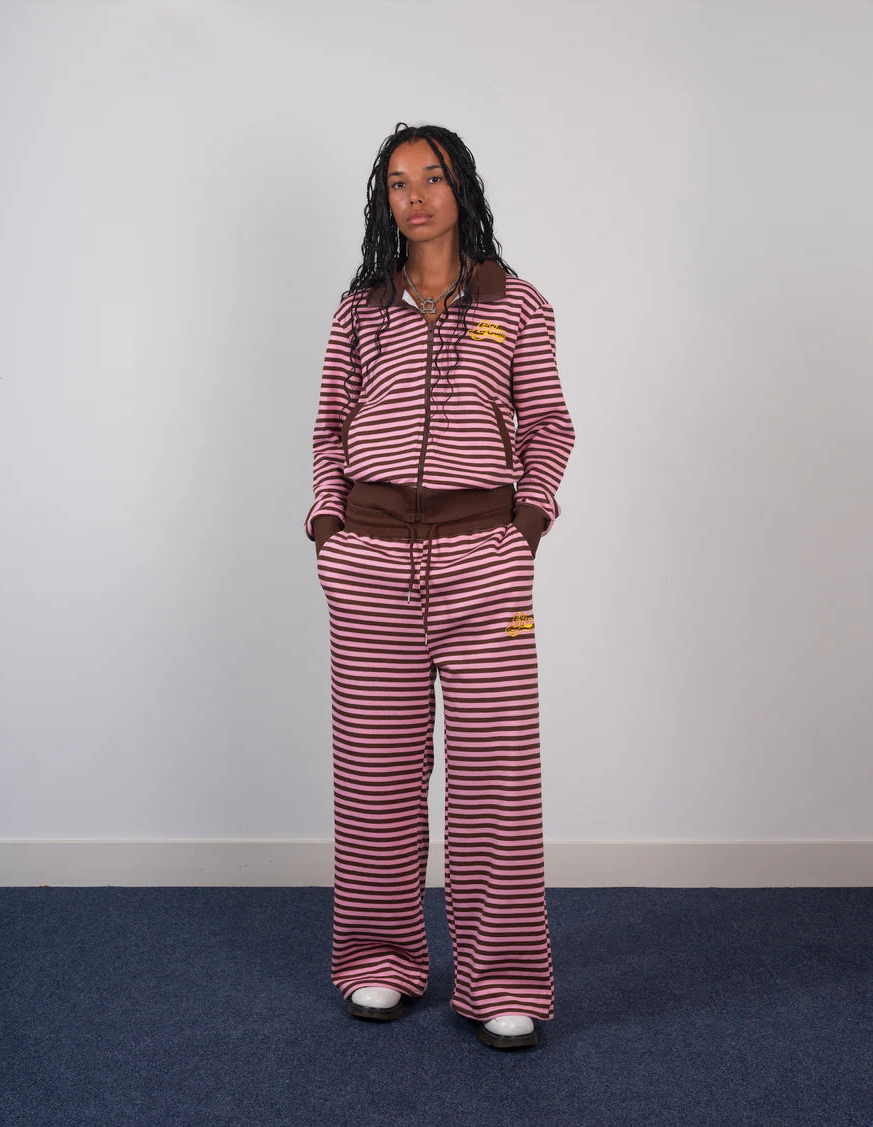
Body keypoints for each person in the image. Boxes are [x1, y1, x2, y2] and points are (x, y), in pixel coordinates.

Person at [303, 122, 576, 1050]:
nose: (414, 195)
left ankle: (503, 978)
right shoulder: (359, 312)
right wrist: (329, 532)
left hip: (481, 562)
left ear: (464, 190)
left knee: (497, 778)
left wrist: (525, 525)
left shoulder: (518, 302)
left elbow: (548, 424)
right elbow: (329, 431)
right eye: (396, 182)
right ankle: (380, 959)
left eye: (433, 177)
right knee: (375, 773)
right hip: (371, 562)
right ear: (384, 202)